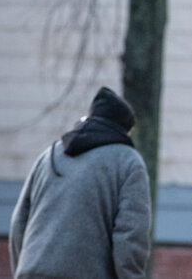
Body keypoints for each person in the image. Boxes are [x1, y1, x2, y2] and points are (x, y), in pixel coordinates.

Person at [9, 87, 152, 278]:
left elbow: (19, 224)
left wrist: (25, 268)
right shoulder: (128, 161)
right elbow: (131, 236)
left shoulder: (48, 156)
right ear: (125, 131)